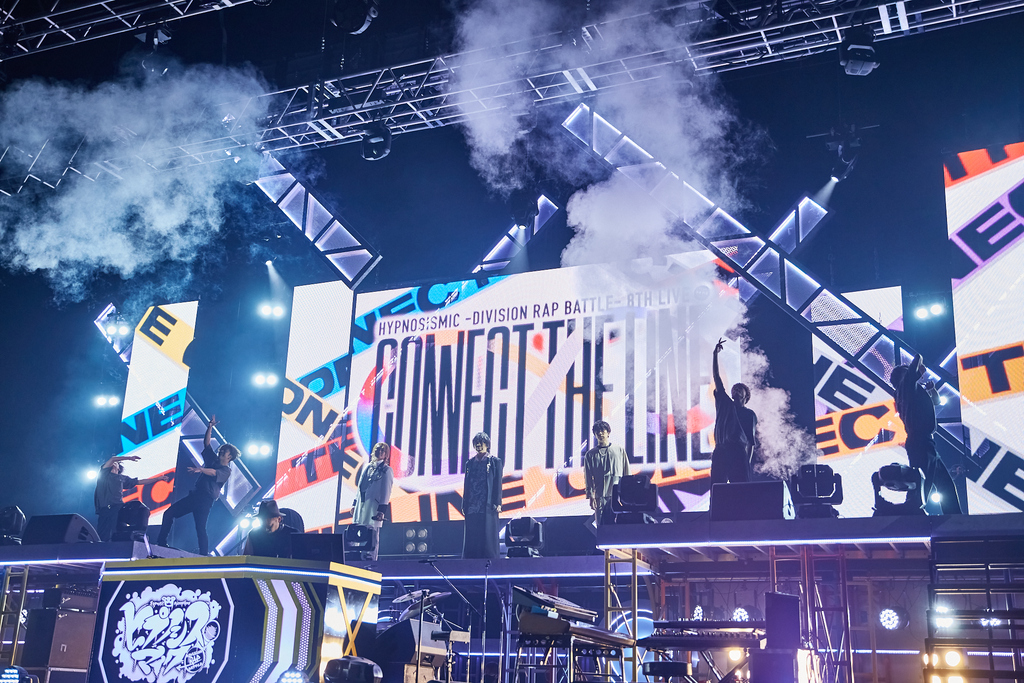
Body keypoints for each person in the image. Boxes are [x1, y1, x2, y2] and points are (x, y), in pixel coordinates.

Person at [157, 414, 240, 555]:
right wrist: (210, 427)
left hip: (205, 500)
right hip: (195, 496)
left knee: (200, 528)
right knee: (169, 513)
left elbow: (213, 473)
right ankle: (161, 542)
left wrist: (201, 469)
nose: (220, 451)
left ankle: (203, 555)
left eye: (224, 451)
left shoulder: (226, 471)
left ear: (229, 457)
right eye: (221, 450)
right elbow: (207, 444)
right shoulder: (213, 460)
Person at [891, 353, 962, 514]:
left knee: (941, 483)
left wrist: (931, 390)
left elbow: (936, 402)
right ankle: (912, 513)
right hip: (920, 441)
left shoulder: (907, 393)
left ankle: (954, 517)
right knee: (922, 481)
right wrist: (919, 366)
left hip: (923, 442)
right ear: (903, 376)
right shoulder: (906, 386)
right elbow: (917, 358)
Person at [710, 338, 758, 484]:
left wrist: (746, 463)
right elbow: (717, 377)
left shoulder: (749, 414)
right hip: (720, 450)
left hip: (738, 453)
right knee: (717, 487)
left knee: (740, 488)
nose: (736, 390)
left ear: (746, 396)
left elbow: (750, 442)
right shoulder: (725, 404)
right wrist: (715, 355)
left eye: (739, 389)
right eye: (734, 388)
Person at [94, 454, 170, 541]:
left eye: (117, 463)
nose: (114, 463)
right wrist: (129, 458)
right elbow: (113, 459)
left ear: (119, 468)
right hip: (106, 509)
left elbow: (140, 482)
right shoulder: (104, 475)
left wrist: (157, 479)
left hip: (119, 508)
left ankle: (138, 533)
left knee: (141, 508)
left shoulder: (122, 478)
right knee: (104, 535)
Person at [461, 432, 503, 559]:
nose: (479, 445)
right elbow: (466, 484)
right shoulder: (470, 463)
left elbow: (497, 483)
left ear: (487, 444)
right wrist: (464, 504)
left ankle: (489, 559)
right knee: (473, 533)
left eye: (481, 443)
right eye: (476, 443)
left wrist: (498, 502)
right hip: (473, 503)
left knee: (487, 533)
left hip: (487, 503)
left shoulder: (494, 462)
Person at [352, 442, 394, 561]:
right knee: (358, 531)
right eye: (377, 449)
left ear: (386, 454)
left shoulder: (386, 470)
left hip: (373, 507)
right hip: (362, 504)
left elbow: (386, 491)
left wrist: (381, 510)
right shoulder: (367, 467)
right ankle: (357, 558)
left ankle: (371, 559)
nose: (379, 452)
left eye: (382, 450)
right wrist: (354, 504)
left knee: (372, 534)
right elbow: (360, 487)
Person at [583, 420, 631, 524]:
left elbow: (627, 472)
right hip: (600, 495)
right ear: (595, 434)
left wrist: (627, 493)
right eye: (597, 431)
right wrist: (591, 496)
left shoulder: (619, 450)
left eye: (602, 431)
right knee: (602, 525)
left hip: (618, 494)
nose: (600, 433)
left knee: (619, 523)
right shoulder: (590, 455)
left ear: (608, 432)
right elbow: (588, 477)